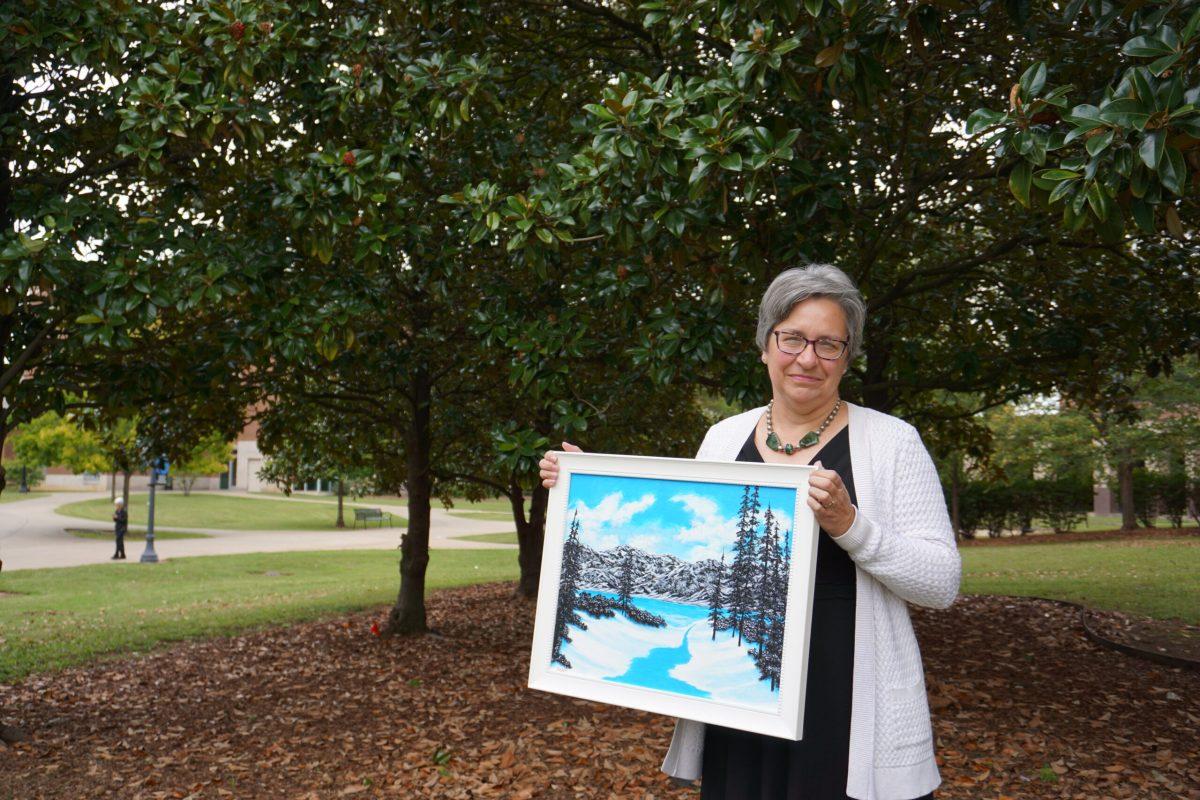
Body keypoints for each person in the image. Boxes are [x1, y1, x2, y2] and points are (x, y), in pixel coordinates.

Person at [539, 263, 960, 800]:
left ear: (846, 358)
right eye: (792, 339)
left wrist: (851, 526)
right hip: (741, 700)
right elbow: (672, 530)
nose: (808, 358)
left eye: (829, 344)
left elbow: (941, 582)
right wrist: (583, 484)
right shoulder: (723, 437)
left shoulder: (893, 442)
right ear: (765, 345)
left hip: (847, 703)